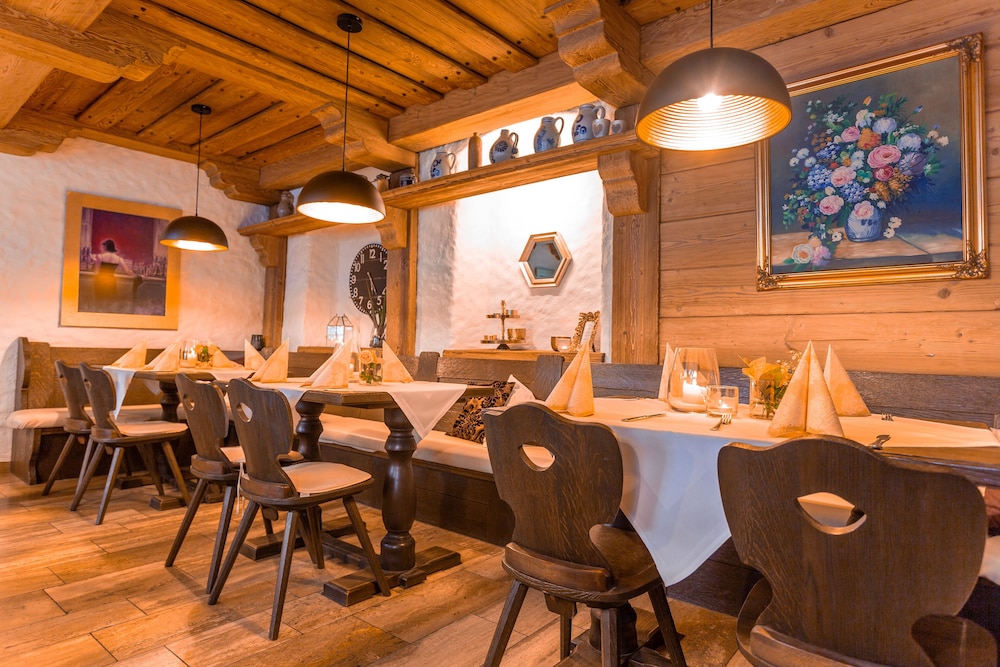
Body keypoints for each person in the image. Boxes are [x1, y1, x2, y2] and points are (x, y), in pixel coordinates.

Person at [93, 239, 138, 310]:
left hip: (100, 281)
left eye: (104, 246)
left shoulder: (100, 256)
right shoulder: (119, 259)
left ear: (106, 247)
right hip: (111, 281)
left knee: (99, 303)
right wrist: (136, 276)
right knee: (110, 303)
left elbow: (96, 272)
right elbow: (128, 271)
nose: (103, 247)